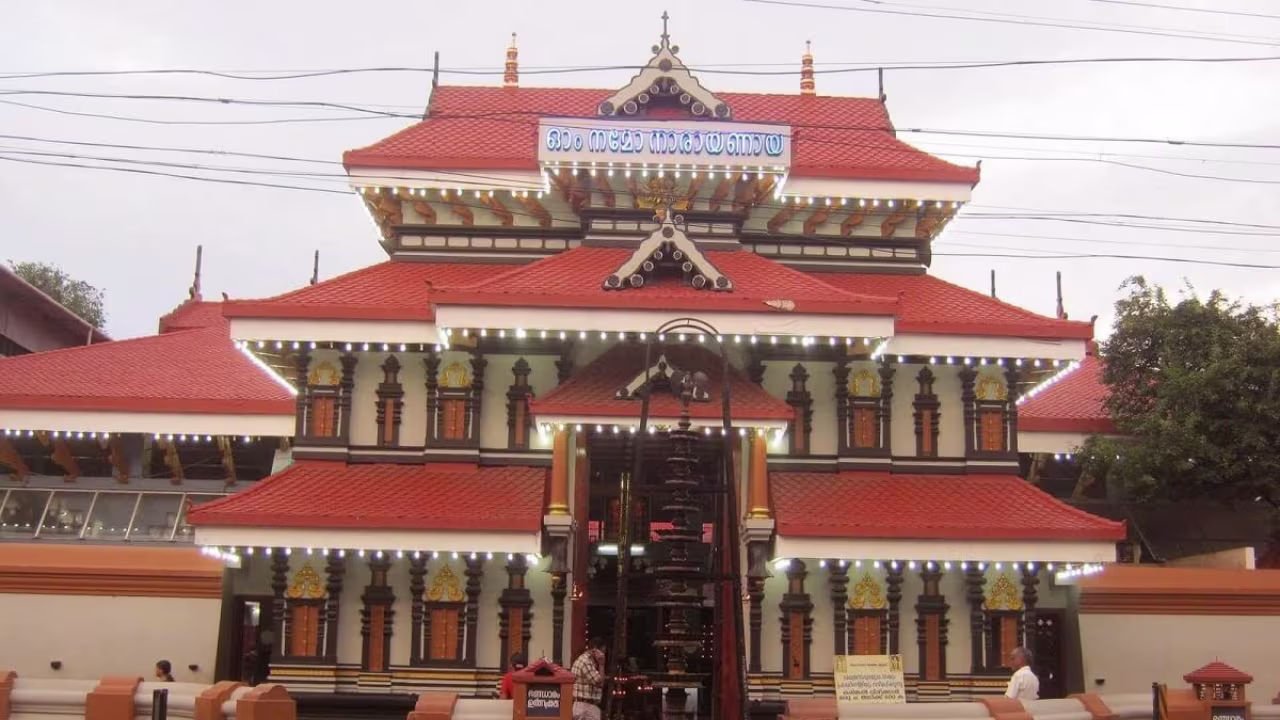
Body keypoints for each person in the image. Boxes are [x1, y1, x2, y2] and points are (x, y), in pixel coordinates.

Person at [571, 637, 607, 720]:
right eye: (602, 651)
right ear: (595, 649)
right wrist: (602, 664)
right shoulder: (586, 662)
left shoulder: (587, 661)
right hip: (586, 707)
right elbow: (600, 683)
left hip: (584, 705)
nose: (603, 655)